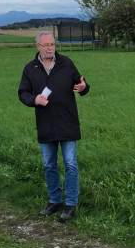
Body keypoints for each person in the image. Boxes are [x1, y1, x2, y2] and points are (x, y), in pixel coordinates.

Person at [18, 32, 90, 223]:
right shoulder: (30, 68)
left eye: (52, 44)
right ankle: (55, 200)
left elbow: (81, 83)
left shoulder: (66, 63)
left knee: (70, 164)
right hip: (46, 123)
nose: (50, 48)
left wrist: (84, 88)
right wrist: (34, 99)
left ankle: (71, 203)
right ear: (37, 47)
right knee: (49, 164)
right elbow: (22, 92)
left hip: (67, 122)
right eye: (46, 45)